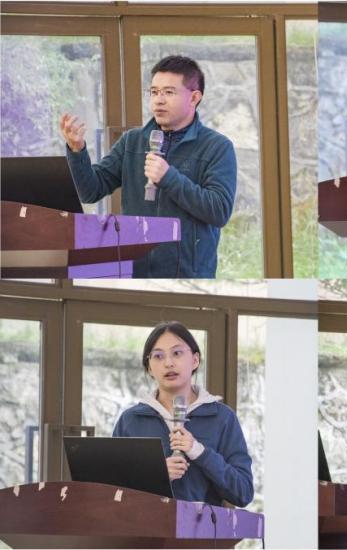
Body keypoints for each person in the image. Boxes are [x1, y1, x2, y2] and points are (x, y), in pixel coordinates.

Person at [60, 55, 237, 278]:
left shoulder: (217, 147)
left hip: (187, 279)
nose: (158, 100)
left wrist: (169, 177)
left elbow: (219, 211)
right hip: (132, 274)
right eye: (154, 92)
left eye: (169, 92)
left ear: (194, 97)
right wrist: (77, 150)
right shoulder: (132, 141)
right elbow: (90, 191)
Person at [113, 321, 253, 507]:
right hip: (145, 525)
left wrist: (199, 452)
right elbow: (112, 494)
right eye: (158, 356)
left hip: (201, 526)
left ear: (195, 360)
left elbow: (243, 492)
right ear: (149, 368)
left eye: (177, 353)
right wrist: (155, 476)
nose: (168, 363)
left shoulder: (222, 418)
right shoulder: (131, 420)